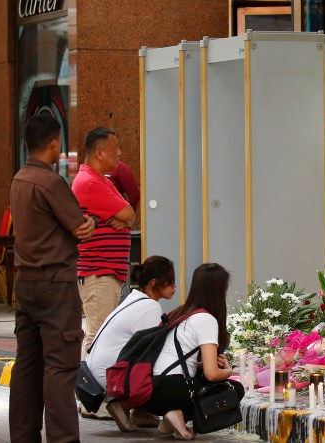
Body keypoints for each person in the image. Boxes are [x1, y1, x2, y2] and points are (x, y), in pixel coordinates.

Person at [9, 113, 96, 443]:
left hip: (26, 282)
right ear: (55, 143)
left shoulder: (19, 178)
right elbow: (79, 226)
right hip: (55, 284)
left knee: (26, 366)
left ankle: (23, 436)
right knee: (61, 368)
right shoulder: (50, 182)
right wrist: (88, 224)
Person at [144, 263, 244, 440]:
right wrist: (228, 371)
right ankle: (178, 411)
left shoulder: (181, 312)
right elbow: (212, 374)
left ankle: (172, 417)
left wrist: (199, 364)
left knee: (201, 378)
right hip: (173, 389)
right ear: (217, 290)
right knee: (234, 388)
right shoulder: (206, 319)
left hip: (152, 391)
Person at [84, 255, 176, 431]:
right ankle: (123, 405)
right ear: (155, 283)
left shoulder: (134, 298)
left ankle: (141, 412)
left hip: (92, 373)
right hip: (108, 379)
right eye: (170, 282)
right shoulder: (150, 307)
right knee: (165, 369)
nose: (175, 287)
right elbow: (154, 354)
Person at [71, 128, 135, 354]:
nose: (119, 152)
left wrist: (124, 221)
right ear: (99, 153)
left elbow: (129, 216)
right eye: (114, 148)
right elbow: (127, 213)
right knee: (99, 336)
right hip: (99, 272)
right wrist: (123, 219)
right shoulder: (90, 182)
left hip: (106, 272)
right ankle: (87, 387)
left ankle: (93, 385)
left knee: (104, 334)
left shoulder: (102, 180)